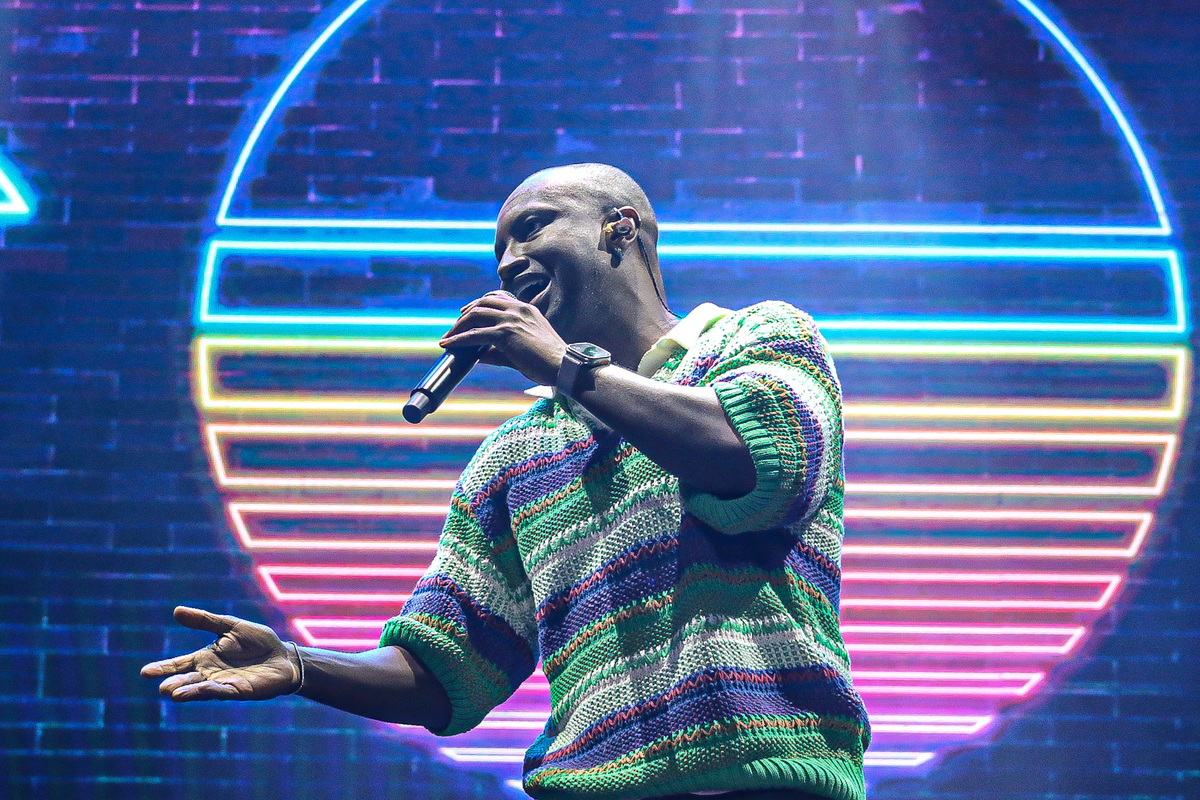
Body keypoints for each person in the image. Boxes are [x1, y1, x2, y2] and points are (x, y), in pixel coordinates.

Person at [143, 163, 870, 800]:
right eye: (499, 251)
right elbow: (447, 668)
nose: (509, 262)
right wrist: (301, 665)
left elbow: (755, 460)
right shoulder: (515, 456)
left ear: (620, 229)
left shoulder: (759, 340)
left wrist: (564, 366)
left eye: (531, 228)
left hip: (772, 781)